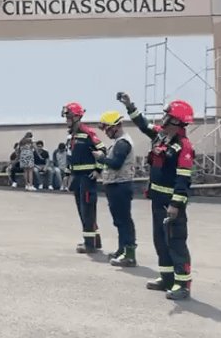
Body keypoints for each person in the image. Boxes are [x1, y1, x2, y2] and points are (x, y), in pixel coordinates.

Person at [117, 92, 195, 300]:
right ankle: (167, 278)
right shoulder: (161, 135)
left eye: (167, 116)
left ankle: (183, 283)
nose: (163, 118)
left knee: (176, 241)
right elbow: (143, 125)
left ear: (176, 120)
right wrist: (129, 105)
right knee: (160, 240)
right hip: (158, 200)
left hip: (171, 204)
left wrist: (176, 204)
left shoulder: (183, 146)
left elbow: (183, 178)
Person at [94, 110, 137, 267]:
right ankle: (122, 249)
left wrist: (101, 158)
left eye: (107, 129)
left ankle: (129, 254)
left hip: (121, 185)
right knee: (119, 220)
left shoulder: (122, 143)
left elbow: (116, 163)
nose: (106, 132)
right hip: (115, 185)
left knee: (124, 220)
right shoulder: (118, 142)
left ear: (115, 127)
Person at [62, 102, 106, 254]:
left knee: (87, 209)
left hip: (87, 178)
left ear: (76, 116)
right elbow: (70, 157)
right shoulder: (71, 135)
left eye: (68, 116)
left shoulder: (87, 132)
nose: (66, 119)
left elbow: (102, 149)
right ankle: (95, 239)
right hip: (76, 178)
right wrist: (67, 174)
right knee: (82, 210)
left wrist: (98, 169)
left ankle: (89, 244)